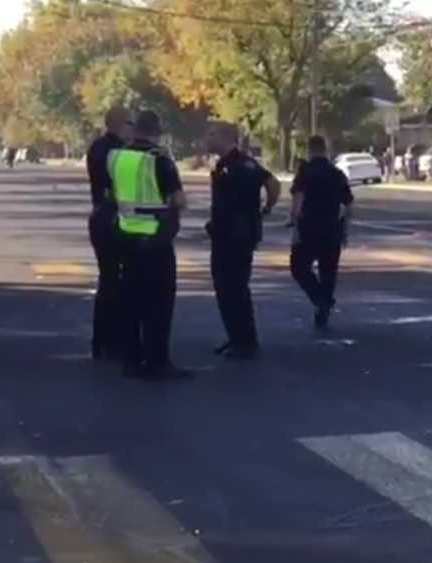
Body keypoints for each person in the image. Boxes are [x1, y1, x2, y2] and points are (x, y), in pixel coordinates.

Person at [109, 110, 189, 380]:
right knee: (159, 303)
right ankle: (157, 362)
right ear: (157, 131)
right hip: (155, 239)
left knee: (130, 301)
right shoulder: (160, 159)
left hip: (125, 235)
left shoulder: (117, 157)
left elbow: (110, 193)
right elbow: (177, 199)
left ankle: (131, 360)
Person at [204, 122, 280, 359]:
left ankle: (244, 341)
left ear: (226, 137)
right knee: (228, 288)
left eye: (212, 133)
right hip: (229, 232)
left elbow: (273, 184)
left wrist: (267, 207)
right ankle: (237, 337)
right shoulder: (233, 163)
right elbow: (272, 182)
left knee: (233, 288)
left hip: (235, 235)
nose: (207, 138)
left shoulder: (238, 164)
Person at [290, 134, 352, 329]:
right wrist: (345, 231)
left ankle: (319, 299)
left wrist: (294, 227)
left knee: (299, 267)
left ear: (309, 150)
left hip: (309, 227)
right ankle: (323, 304)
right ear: (325, 150)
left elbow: (297, 202)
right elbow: (349, 204)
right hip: (332, 228)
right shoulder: (337, 174)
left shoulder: (305, 172)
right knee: (328, 272)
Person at [85, 109, 130, 361]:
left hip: (100, 216)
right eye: (129, 123)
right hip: (113, 218)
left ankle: (103, 340)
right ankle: (112, 340)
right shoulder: (117, 151)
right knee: (116, 280)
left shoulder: (97, 147)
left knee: (109, 278)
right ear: (121, 124)